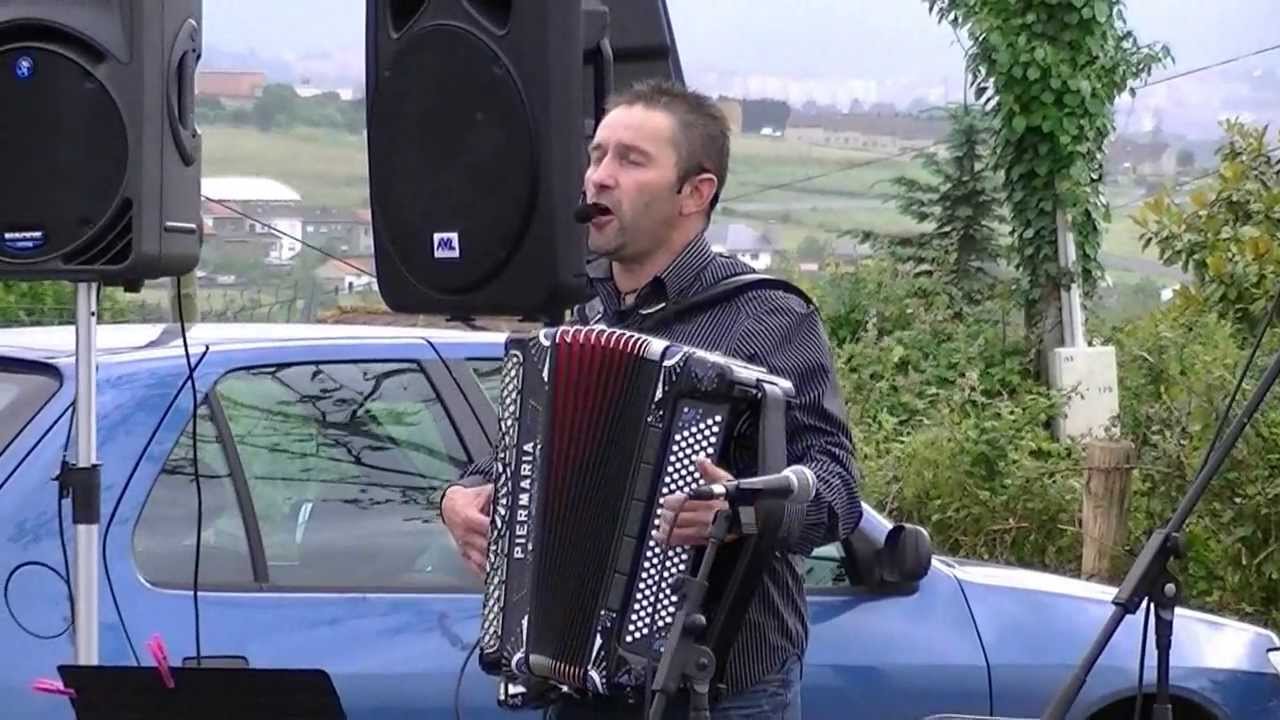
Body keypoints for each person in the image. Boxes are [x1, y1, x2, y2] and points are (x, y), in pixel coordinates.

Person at [441, 79, 863, 719]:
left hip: (725, 691)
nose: (599, 178)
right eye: (596, 156)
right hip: (576, 683)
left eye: (631, 160)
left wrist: (740, 508)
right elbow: (515, 458)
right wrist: (457, 500)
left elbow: (835, 493)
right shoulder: (571, 318)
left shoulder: (767, 315)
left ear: (696, 194)